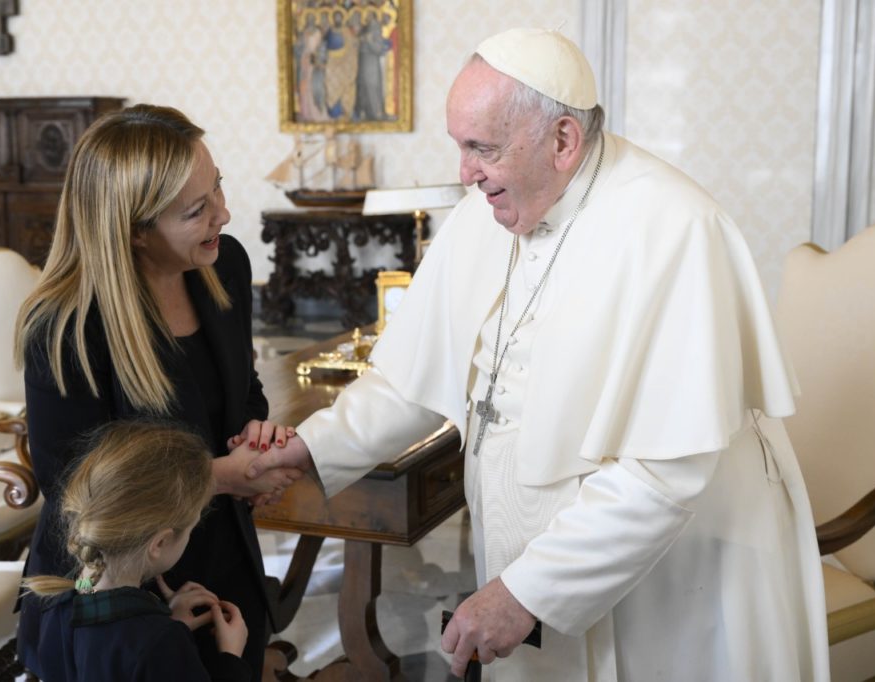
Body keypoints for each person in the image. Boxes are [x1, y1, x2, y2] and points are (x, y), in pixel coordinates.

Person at [247, 28, 830, 681]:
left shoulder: (674, 229)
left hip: (680, 564)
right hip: (529, 543)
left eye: (482, 148)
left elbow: (664, 471)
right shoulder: (486, 211)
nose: (465, 172)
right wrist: (312, 447)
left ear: (562, 141)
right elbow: (409, 381)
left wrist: (531, 591)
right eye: (460, 146)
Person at [14, 103, 302, 680]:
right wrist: (221, 476)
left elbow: (242, 390)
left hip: (221, 561)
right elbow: (79, 490)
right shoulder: (66, 325)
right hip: (114, 602)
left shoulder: (226, 265)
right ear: (135, 232)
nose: (225, 212)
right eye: (197, 210)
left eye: (217, 186)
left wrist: (254, 433)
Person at [24, 421, 251, 681]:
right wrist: (231, 658)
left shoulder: (59, 607)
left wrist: (165, 619)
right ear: (159, 543)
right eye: (191, 527)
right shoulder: (160, 643)